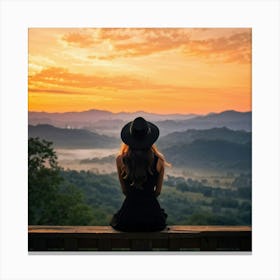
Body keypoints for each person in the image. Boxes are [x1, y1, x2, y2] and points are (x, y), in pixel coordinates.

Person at [110, 116, 168, 232]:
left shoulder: (120, 160)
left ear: (130, 139)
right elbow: (158, 192)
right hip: (153, 218)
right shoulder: (160, 161)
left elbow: (125, 191)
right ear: (150, 139)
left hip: (128, 218)